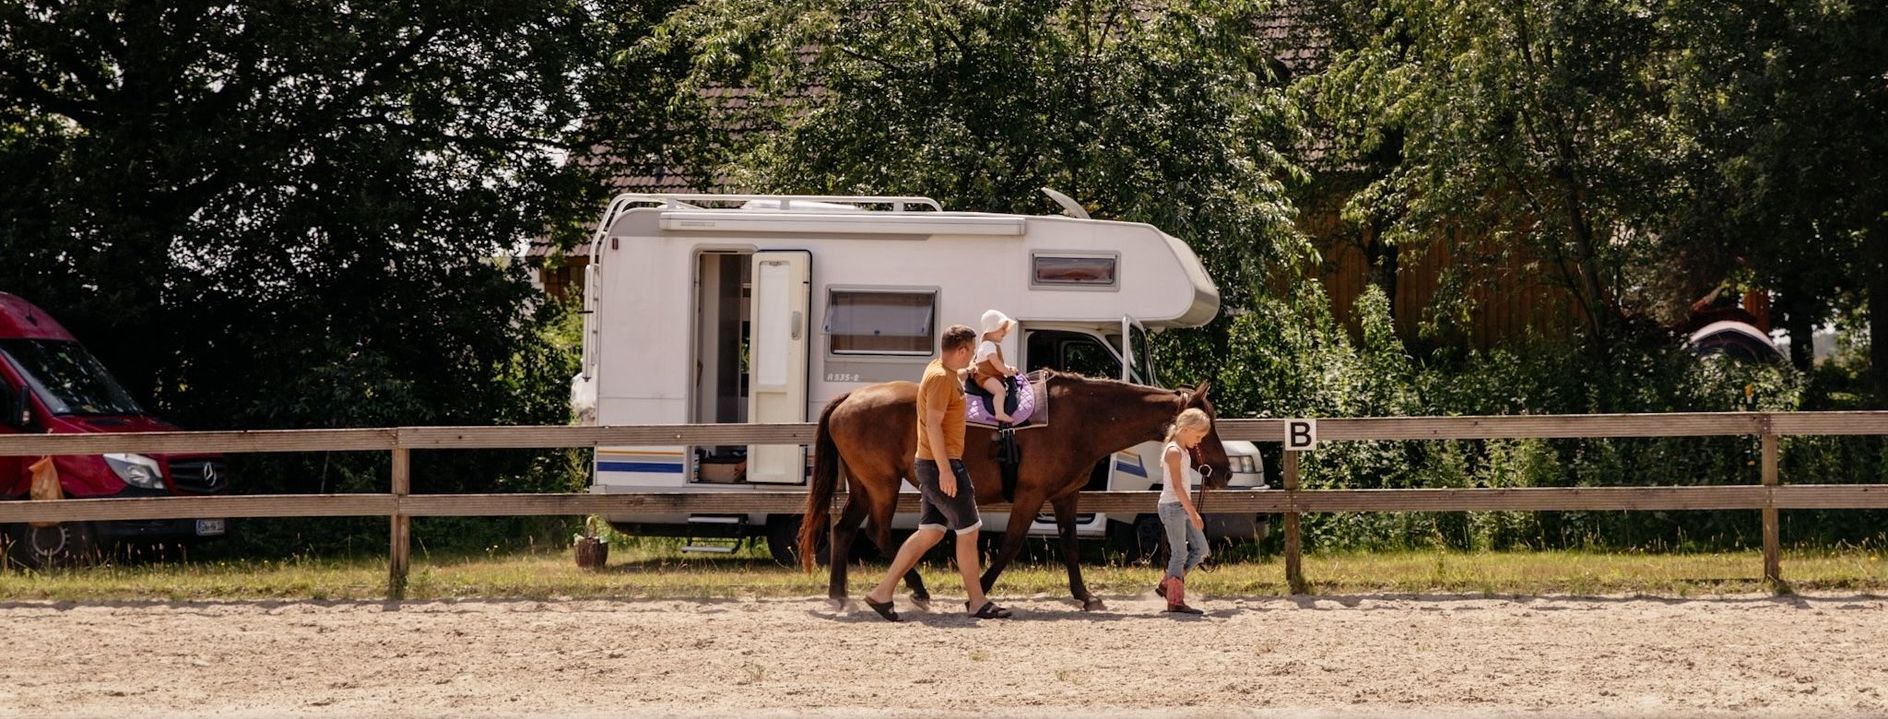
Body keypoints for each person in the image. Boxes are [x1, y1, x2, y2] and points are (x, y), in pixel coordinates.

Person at [861, 324, 1011, 621]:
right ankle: (977, 602)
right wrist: (946, 471)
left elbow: (953, 380)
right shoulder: (942, 379)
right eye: (971, 352)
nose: (973, 357)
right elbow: (933, 425)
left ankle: (881, 593)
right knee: (969, 530)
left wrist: (968, 372)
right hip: (941, 465)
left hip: (930, 464)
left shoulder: (939, 369)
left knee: (930, 532)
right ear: (962, 350)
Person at [1155, 408, 1212, 615]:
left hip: (1181, 507)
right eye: (1198, 436)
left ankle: (1168, 584)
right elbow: (1177, 487)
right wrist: (1193, 512)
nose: (1199, 441)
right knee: (1179, 553)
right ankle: (1175, 601)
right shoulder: (1173, 452)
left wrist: (1189, 510)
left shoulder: (1183, 451)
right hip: (1172, 507)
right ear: (1185, 429)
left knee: (1201, 550)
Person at [971, 310, 1019, 423]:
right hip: (985, 377)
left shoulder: (991, 345)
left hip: (990, 376)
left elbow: (999, 363)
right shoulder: (988, 345)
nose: (1005, 332)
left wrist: (1008, 368)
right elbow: (996, 363)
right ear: (992, 329)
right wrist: (1007, 372)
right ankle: (999, 413)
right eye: (1002, 328)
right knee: (1000, 391)